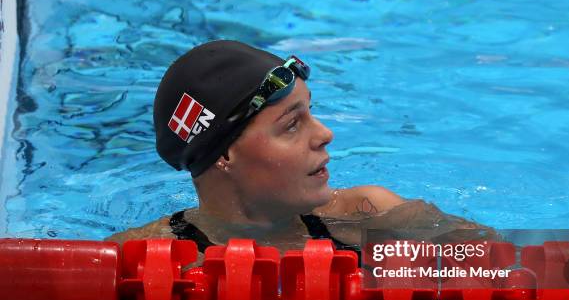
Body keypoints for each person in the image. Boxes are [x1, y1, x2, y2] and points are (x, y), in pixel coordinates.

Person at [105, 40, 494, 258]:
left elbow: (510, 265)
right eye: (292, 124)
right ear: (224, 155)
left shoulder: (371, 217)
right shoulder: (145, 255)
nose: (324, 134)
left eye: (312, 113)